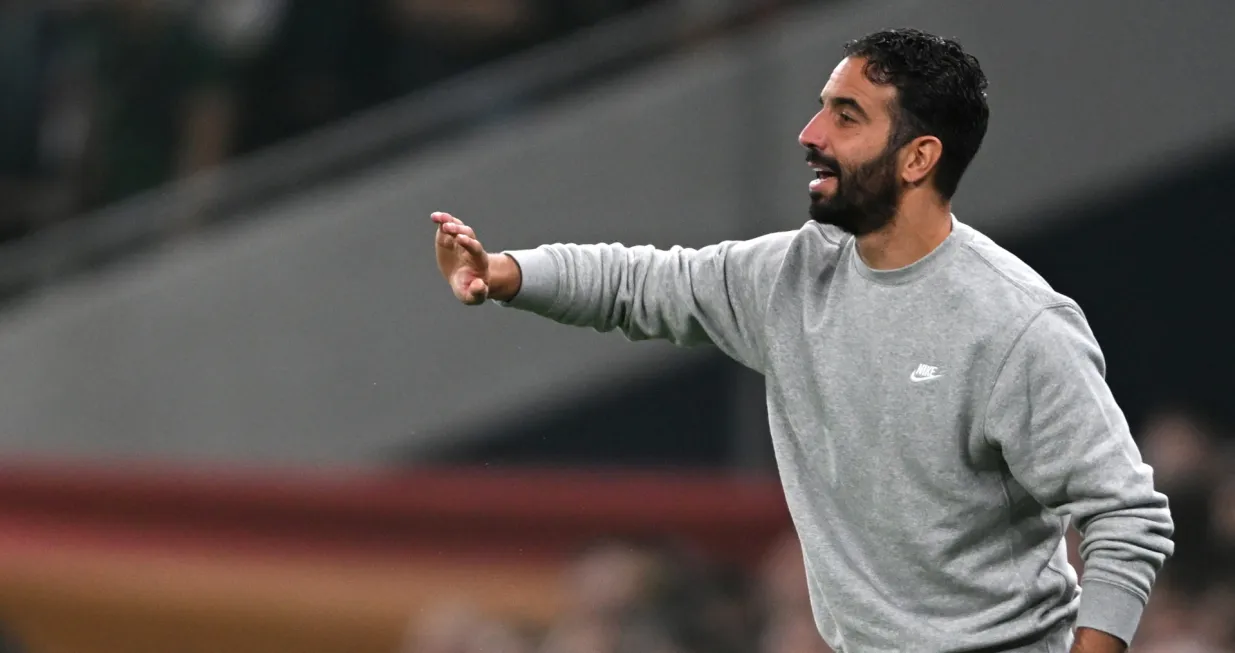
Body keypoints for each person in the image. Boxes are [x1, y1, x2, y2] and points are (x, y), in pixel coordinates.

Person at [429, 28, 1174, 653]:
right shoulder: (791, 274)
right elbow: (641, 284)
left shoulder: (1015, 323)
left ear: (917, 158)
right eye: (821, 109)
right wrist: (504, 272)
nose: (809, 135)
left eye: (845, 117)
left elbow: (1125, 514)